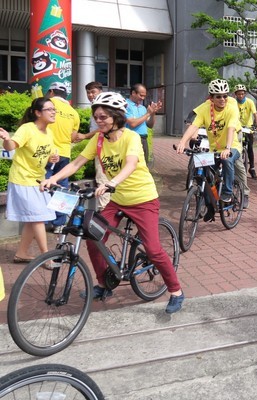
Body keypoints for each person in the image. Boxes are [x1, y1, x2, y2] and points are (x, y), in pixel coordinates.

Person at [40, 92, 185, 313]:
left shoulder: (131, 137)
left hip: (143, 199)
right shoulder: (99, 139)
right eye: (96, 117)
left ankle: (176, 291)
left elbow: (131, 163)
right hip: (117, 201)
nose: (98, 121)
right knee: (92, 237)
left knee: (154, 250)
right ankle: (103, 283)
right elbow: (77, 163)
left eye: (103, 117)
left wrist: (111, 182)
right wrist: (52, 178)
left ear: (116, 118)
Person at [0, 98, 59, 263]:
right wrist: (6, 138)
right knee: (38, 218)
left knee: (31, 219)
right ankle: (46, 257)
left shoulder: (49, 133)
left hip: (38, 180)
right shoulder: (27, 129)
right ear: (38, 113)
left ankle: (22, 253)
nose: (54, 112)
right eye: (49, 109)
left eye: (54, 109)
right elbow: (11, 146)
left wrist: (52, 158)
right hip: (22, 179)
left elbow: (46, 157)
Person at [177, 79, 244, 205]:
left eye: (225, 96)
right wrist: (182, 142)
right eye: (218, 96)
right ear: (211, 98)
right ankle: (210, 205)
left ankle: (228, 193)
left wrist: (228, 148)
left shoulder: (232, 108)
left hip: (232, 146)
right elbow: (194, 126)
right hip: (214, 148)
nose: (222, 99)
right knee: (203, 172)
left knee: (226, 160)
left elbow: (231, 128)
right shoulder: (205, 108)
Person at [45, 81, 80, 233]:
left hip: (47, 153)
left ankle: (43, 220)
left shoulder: (46, 104)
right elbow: (73, 137)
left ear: (51, 92)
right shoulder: (74, 112)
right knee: (62, 187)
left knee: (44, 185)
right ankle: (59, 223)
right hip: (64, 153)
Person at [80, 81, 111, 211]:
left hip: (103, 146)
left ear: (100, 92)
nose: (90, 95)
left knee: (102, 178)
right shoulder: (96, 107)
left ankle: (104, 210)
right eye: (88, 92)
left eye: (93, 92)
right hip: (98, 144)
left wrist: (85, 136)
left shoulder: (102, 107)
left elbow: (101, 128)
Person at [125, 83, 161, 163]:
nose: (143, 98)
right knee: (131, 164)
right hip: (131, 139)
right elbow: (132, 124)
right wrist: (148, 113)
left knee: (144, 164)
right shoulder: (126, 105)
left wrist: (153, 113)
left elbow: (150, 125)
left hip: (143, 140)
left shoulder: (143, 108)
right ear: (133, 93)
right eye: (141, 95)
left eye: (144, 96)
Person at [234, 84, 257, 180]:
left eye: (242, 94)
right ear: (235, 94)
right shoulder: (233, 102)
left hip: (248, 127)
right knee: (236, 146)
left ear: (245, 94)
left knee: (250, 147)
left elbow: (255, 114)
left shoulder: (250, 102)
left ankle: (252, 168)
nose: (240, 96)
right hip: (237, 127)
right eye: (238, 94)